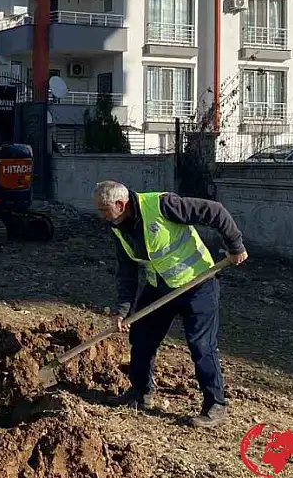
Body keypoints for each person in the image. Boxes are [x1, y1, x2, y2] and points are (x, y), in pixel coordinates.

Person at [92, 180, 248, 428]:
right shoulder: (117, 226)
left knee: (201, 346)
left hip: (197, 284)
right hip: (160, 288)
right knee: (141, 336)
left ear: (120, 204)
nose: (100, 215)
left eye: (103, 209)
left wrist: (235, 245)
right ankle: (140, 394)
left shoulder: (163, 205)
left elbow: (215, 211)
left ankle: (216, 405)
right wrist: (123, 310)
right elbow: (127, 272)